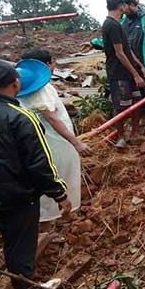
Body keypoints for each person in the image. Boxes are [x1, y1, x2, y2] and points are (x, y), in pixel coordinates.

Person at [0, 60, 71, 289]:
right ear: (15, 83)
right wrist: (59, 193)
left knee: (12, 241)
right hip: (19, 195)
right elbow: (40, 163)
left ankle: (26, 288)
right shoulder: (21, 117)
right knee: (22, 245)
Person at [16, 50, 87, 229]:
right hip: (55, 143)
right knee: (57, 178)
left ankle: (54, 219)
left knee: (45, 179)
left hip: (38, 143)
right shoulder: (41, 89)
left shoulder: (20, 88)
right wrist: (75, 142)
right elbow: (53, 119)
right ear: (47, 65)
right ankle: (50, 222)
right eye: (53, 61)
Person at [101, 0, 145, 148]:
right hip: (119, 73)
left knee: (136, 102)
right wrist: (136, 75)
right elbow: (119, 53)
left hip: (129, 72)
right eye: (124, 5)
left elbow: (127, 49)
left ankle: (134, 134)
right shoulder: (111, 25)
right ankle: (121, 137)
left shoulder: (119, 24)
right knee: (121, 105)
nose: (126, 7)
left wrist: (139, 65)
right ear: (120, 6)